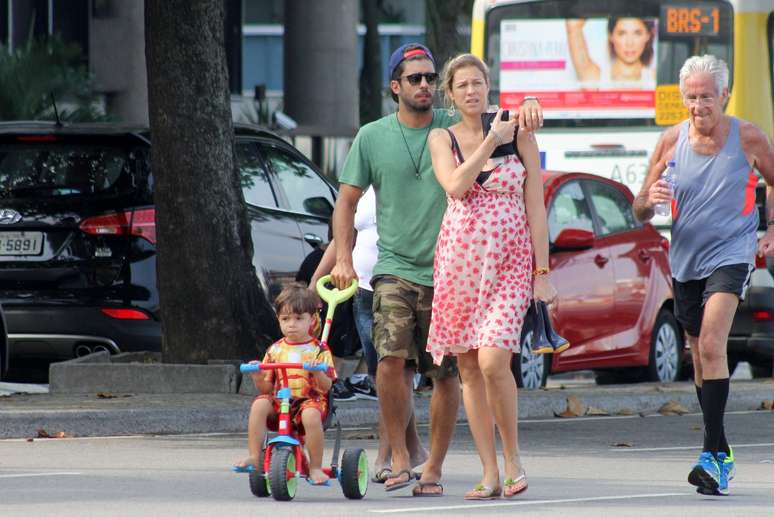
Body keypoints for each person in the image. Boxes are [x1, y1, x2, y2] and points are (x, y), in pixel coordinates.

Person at [329, 42, 543, 496]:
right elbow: (346, 201)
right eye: (415, 79)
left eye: (429, 77)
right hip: (398, 267)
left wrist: (528, 104)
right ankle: (402, 455)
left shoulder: (461, 122)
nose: (424, 85)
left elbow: (501, 115)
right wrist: (344, 258)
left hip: (453, 272)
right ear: (395, 86)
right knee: (389, 362)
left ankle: (435, 467)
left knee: (450, 374)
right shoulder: (376, 135)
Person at [633, 55, 774, 496]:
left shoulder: (748, 137)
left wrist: (770, 229)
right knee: (698, 355)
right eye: (691, 98)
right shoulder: (670, 141)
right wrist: (649, 199)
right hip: (686, 260)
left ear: (724, 95)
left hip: (732, 254)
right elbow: (639, 205)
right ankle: (721, 451)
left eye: (706, 97)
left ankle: (711, 456)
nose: (698, 106)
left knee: (712, 343)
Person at [425, 53, 556, 500]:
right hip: (460, 264)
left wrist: (543, 272)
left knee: (493, 359)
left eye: (477, 83)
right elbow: (455, 186)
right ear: (451, 93)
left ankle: (513, 457)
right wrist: (487, 141)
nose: (471, 91)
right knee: (467, 365)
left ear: (487, 85)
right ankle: (488, 470)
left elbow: (536, 205)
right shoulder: (442, 138)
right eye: (462, 85)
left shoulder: (517, 130)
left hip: (511, 262)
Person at [310, 187, 429, 482]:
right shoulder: (361, 189)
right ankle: (413, 450)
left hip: (404, 286)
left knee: (395, 371)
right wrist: (314, 283)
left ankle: (387, 456)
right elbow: (343, 238)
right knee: (383, 376)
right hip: (363, 291)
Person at [235, 283, 336, 485]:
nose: (291, 324)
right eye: (285, 319)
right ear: (278, 320)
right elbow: (266, 388)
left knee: (310, 414)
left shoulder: (319, 350)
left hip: (310, 402)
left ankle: (315, 467)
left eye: (299, 319)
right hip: (281, 404)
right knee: (260, 403)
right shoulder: (275, 350)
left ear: (312, 320)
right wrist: (257, 376)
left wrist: (317, 370)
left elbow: (326, 387)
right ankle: (255, 457)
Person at [566, 17, 656, 84]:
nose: (629, 43)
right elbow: (573, 27)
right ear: (611, 36)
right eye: (622, 33)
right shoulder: (596, 79)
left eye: (637, 33)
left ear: (647, 35)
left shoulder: (657, 79)